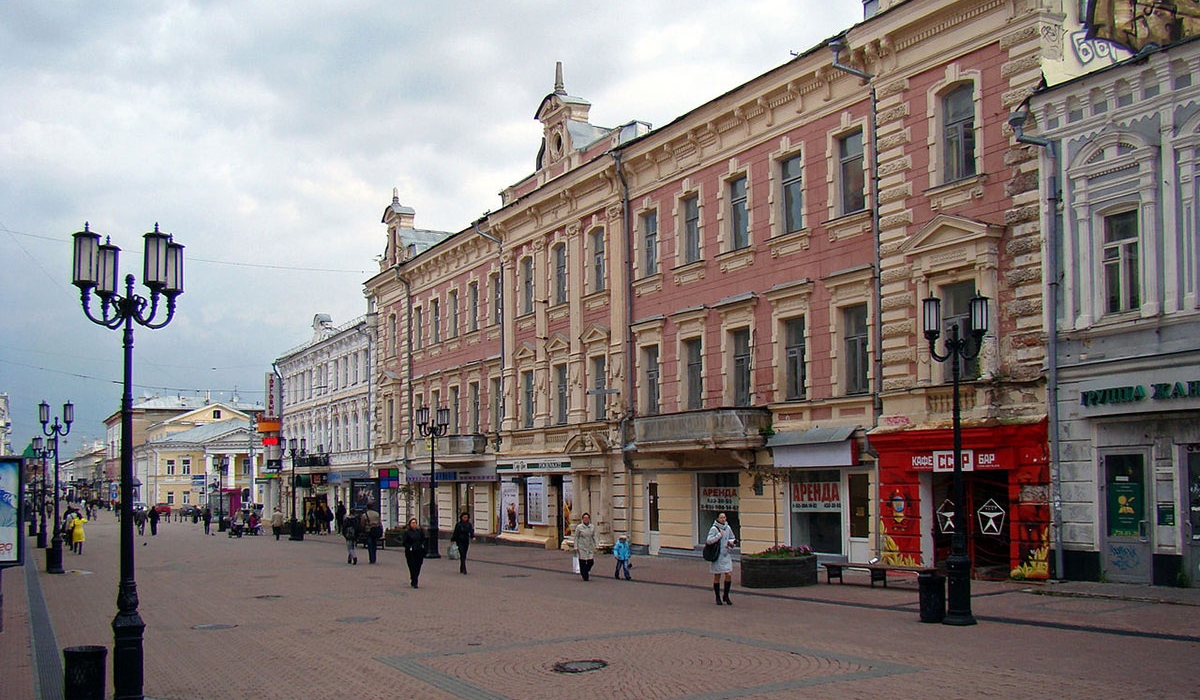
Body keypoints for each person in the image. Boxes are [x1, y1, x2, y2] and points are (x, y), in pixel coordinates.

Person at [706, 512, 737, 605]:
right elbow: (709, 540)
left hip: (725, 554)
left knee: (728, 574)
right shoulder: (714, 528)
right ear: (718, 519)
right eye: (721, 517)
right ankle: (717, 597)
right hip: (717, 555)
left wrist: (731, 543)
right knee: (717, 576)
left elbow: (732, 537)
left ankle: (726, 595)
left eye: (724, 517)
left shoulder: (728, 528)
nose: (723, 519)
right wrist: (719, 535)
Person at [401, 517, 427, 588]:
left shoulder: (420, 531)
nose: (414, 524)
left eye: (415, 523)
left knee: (418, 565)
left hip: (419, 551)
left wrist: (422, 546)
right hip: (411, 552)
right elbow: (404, 542)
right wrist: (409, 547)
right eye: (412, 523)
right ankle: (414, 581)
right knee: (412, 566)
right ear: (410, 524)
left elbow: (423, 539)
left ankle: (415, 577)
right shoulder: (407, 532)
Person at [574, 512, 597, 581]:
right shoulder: (579, 527)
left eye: (587, 518)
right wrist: (575, 547)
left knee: (591, 561)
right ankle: (584, 575)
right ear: (582, 519)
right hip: (581, 546)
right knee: (582, 561)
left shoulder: (592, 527)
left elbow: (594, 536)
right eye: (584, 518)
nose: (586, 519)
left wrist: (597, 544)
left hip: (589, 546)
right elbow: (576, 537)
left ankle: (585, 571)